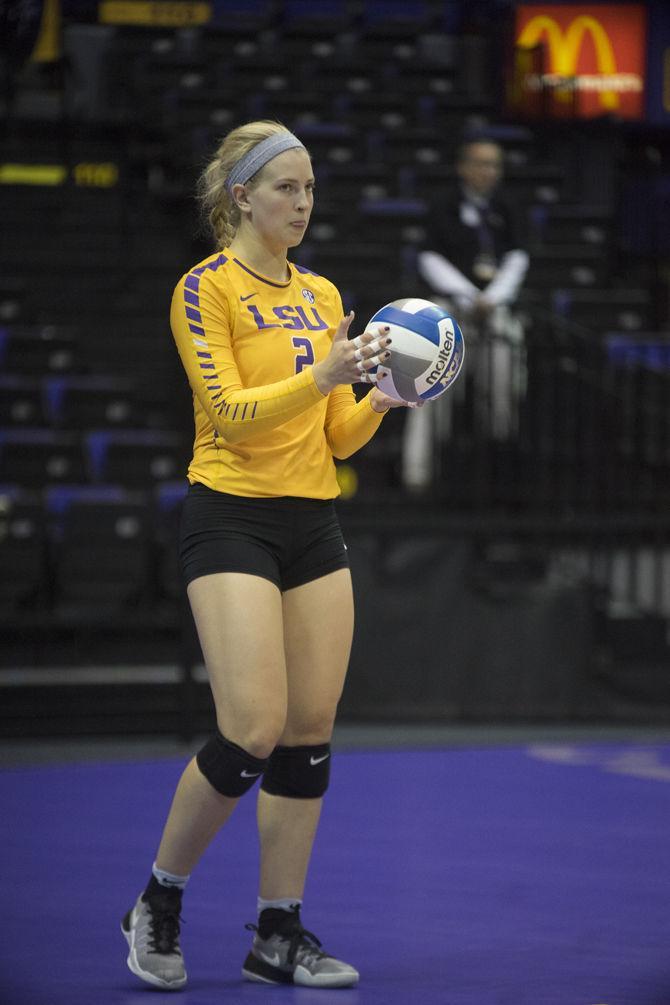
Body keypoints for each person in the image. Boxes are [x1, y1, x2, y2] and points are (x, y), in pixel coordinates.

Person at [121, 120, 415, 991]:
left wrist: (389, 392)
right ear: (242, 195)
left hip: (312, 522)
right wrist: (325, 374)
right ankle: (157, 902)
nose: (303, 203)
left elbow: (335, 436)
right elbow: (231, 411)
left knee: (309, 732)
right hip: (232, 517)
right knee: (251, 725)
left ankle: (278, 934)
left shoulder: (323, 294)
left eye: (311, 189)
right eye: (287, 187)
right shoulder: (203, 287)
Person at [402, 137, 529, 491]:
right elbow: (428, 257)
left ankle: (498, 476)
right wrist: (470, 295)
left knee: (504, 393)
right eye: (481, 163)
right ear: (463, 167)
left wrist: (492, 298)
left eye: (494, 164)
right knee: (429, 393)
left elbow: (518, 258)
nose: (488, 171)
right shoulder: (443, 206)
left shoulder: (508, 206)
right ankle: (420, 476)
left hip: (496, 310)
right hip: (449, 309)